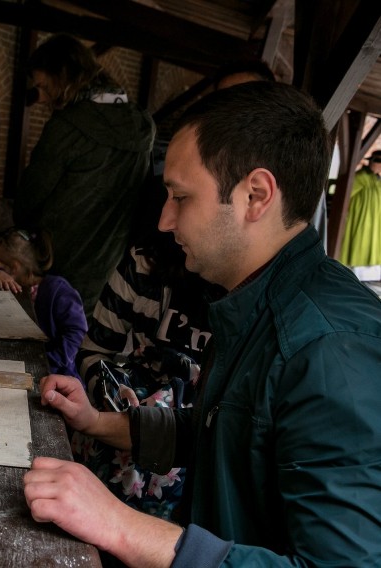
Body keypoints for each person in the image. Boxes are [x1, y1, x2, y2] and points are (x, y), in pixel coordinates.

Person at [23, 81, 381, 566]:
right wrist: (98, 423)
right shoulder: (258, 300)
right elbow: (228, 432)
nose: (165, 220)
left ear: (255, 195)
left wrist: (120, 524)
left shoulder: (329, 349)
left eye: (181, 197)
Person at [70, 229, 222, 521]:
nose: (165, 217)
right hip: (120, 424)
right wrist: (112, 390)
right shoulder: (144, 263)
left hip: (197, 455)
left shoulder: (254, 289)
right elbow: (93, 352)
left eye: (181, 197)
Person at [14, 34, 156, 316]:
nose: (40, 97)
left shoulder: (67, 127)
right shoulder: (142, 126)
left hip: (58, 262)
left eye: (43, 86)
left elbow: (31, 196)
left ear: (64, 76)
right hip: (110, 266)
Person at [213, 58, 329, 253]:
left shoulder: (296, 166)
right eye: (224, 102)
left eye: (246, 99)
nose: (233, 111)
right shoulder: (208, 162)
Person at [0, 227, 87, 378]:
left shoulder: (58, 290)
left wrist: (49, 362)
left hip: (57, 373)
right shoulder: (11, 284)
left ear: (14, 268)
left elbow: (77, 332)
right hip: (23, 362)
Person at [339, 149, 381, 266]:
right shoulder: (360, 177)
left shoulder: (377, 180)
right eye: (376, 161)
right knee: (359, 242)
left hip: (375, 220)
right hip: (360, 218)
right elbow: (344, 196)